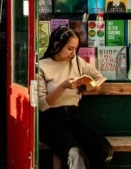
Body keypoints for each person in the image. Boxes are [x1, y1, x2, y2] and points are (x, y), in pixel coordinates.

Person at [37, 26, 113, 169]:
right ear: (56, 45)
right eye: (69, 49)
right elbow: (42, 104)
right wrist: (63, 86)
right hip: (50, 120)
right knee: (74, 154)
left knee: (104, 150)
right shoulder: (42, 66)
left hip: (72, 118)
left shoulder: (77, 62)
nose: (73, 53)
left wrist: (91, 85)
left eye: (76, 49)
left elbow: (97, 76)